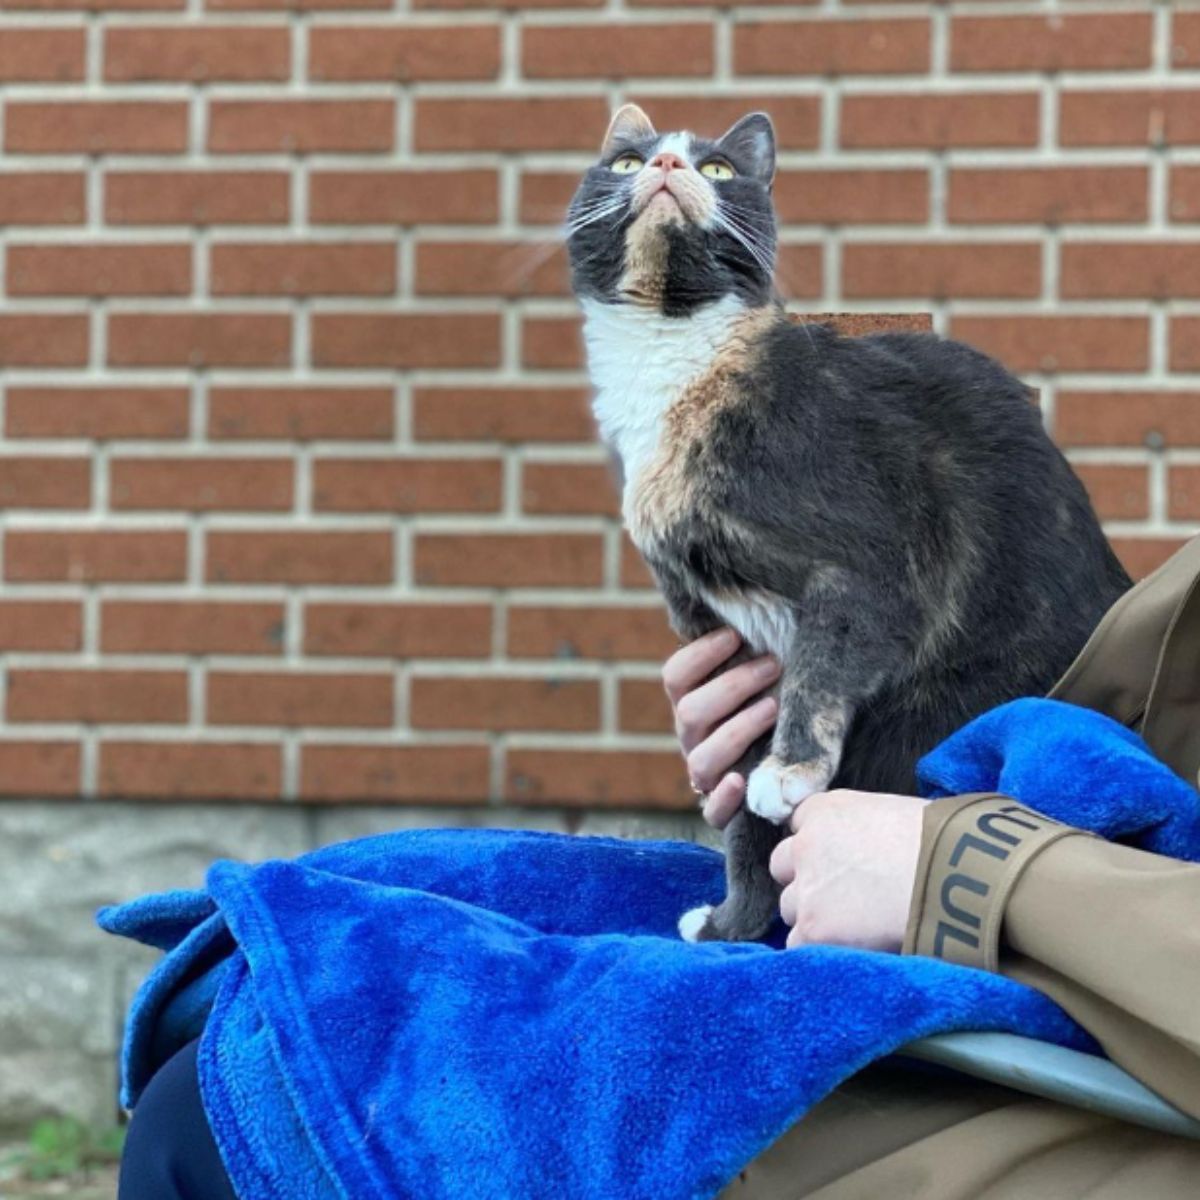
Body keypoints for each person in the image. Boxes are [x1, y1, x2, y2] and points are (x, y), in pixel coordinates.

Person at [120, 626, 1200, 1199]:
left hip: (1099, 1087)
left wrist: (964, 865)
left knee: (245, 1107)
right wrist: (849, 721)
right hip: (1069, 967)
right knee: (294, 975)